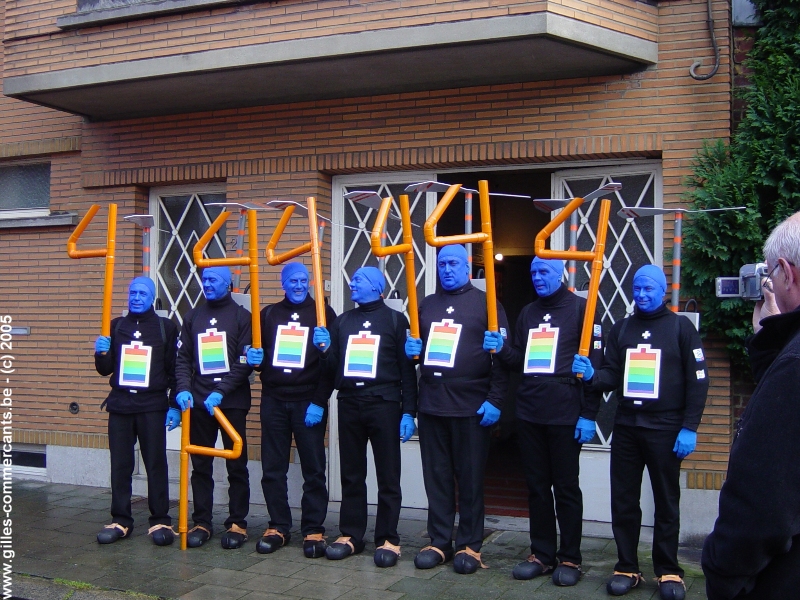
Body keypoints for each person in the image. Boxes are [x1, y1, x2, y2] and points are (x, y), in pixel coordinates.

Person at [573, 264, 708, 600]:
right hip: (627, 428)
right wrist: (592, 376)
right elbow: (611, 375)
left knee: (666, 501)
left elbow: (698, 381)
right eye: (638, 289)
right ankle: (626, 567)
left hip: (666, 428)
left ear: (662, 291)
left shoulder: (680, 328)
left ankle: (668, 570)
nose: (642, 295)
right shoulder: (622, 329)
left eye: (649, 289)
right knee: (623, 500)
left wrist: (689, 427)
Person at [484, 257, 603, 586]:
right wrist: (501, 349)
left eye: (544, 272)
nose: (537, 277)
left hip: (566, 411)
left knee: (565, 488)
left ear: (560, 274)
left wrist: (588, 415)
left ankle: (571, 558)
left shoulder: (581, 309)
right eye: (533, 272)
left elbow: (594, 368)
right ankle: (541, 554)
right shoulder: (528, 313)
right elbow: (519, 360)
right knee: (536, 487)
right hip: (530, 411)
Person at [702, 211, 800, 600]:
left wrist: (721, 574)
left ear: (786, 273)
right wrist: (772, 339)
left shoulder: (794, 365)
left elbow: (762, 505)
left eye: (770, 275)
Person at [405, 244, 510, 575]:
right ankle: (439, 541)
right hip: (432, 404)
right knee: (436, 477)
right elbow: (415, 356)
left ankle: (470, 544)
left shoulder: (487, 304)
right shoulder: (426, 304)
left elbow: (502, 358)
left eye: (453, 263)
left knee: (470, 478)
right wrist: (411, 350)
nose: (447, 269)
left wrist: (496, 400)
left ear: (468, 267)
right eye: (442, 264)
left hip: (471, 405)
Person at [313, 266, 417, 568]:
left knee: (388, 474)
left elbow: (407, 371)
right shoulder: (343, 321)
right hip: (349, 402)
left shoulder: (396, 320)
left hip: (384, 403)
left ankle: (388, 538)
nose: (352, 284)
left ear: (376, 286)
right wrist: (324, 350)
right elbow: (331, 368)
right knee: (351, 473)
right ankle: (351, 534)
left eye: (358, 280)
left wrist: (408, 412)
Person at [245, 262, 336, 558]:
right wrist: (253, 357)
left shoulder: (323, 314)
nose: (299, 285)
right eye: (293, 281)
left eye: (303, 280)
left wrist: (319, 401)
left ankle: (313, 529)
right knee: (273, 467)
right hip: (273, 399)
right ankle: (278, 526)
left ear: (310, 282)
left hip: (308, 401)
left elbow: (331, 365)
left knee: (314, 468)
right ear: (283, 284)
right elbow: (257, 356)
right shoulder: (269, 314)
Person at [94, 277, 179, 546]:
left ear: (152, 298)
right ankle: (121, 520)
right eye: (133, 293)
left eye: (143, 293)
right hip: (120, 405)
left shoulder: (165, 327)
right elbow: (104, 369)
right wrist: (100, 354)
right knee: (120, 465)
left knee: (155, 463)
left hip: (152, 406)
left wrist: (174, 405)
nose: (137, 298)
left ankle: (160, 520)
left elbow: (175, 369)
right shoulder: (116, 326)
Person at [174, 266, 253, 549]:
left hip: (231, 403)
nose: (207, 284)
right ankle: (202, 522)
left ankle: (237, 523)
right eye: (204, 279)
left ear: (228, 283)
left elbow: (245, 362)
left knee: (236, 464)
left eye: (213, 280)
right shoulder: (193, 316)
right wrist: (183, 389)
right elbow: (183, 358)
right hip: (199, 403)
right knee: (200, 465)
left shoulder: (243, 317)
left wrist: (222, 391)